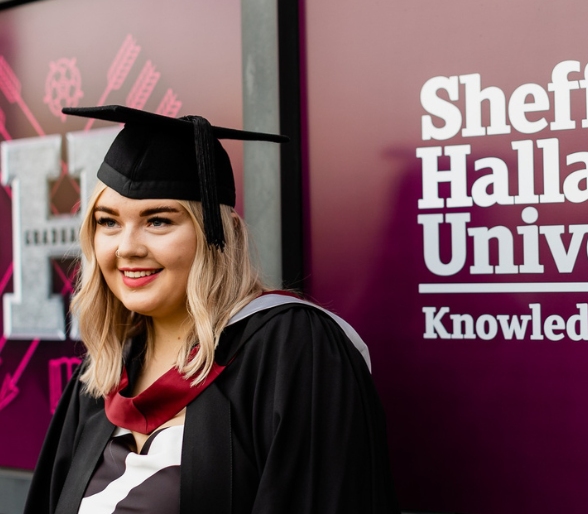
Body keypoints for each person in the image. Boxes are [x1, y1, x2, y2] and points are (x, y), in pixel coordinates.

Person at [23, 105, 399, 514]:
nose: (127, 247)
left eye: (159, 221)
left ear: (218, 235)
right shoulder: (102, 376)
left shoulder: (292, 350)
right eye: (108, 222)